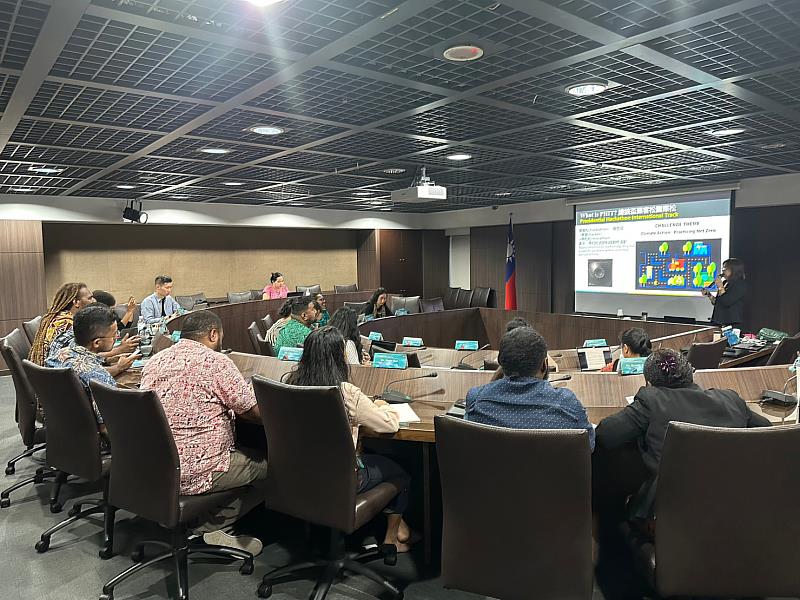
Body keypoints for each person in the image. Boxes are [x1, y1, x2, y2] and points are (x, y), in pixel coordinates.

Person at [595, 348, 770, 526]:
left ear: (648, 382)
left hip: (669, 519)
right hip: (734, 513)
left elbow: (604, 435)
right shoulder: (731, 400)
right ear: (691, 374)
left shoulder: (650, 400)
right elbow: (768, 432)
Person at [140, 310, 267, 554]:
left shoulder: (155, 361)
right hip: (199, 469)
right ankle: (211, 527)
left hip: (156, 466)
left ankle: (204, 518)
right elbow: (251, 411)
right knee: (274, 469)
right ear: (213, 334)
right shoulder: (216, 362)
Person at [286, 327, 416, 552]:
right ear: (339, 358)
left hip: (298, 476)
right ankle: (393, 538)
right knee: (401, 470)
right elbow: (389, 425)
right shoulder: (345, 393)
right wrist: (382, 406)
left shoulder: (290, 384)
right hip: (342, 481)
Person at [466, 326, 595, 450]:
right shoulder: (568, 404)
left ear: (500, 361)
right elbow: (589, 446)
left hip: (493, 472)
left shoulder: (476, 400)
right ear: (544, 366)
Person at [46, 305, 138, 430]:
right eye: (114, 334)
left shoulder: (59, 354)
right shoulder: (99, 378)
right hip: (91, 435)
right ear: (96, 343)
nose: (117, 337)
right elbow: (107, 427)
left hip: (62, 427)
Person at [29, 283, 96, 365]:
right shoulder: (66, 324)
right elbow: (79, 359)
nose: (94, 301)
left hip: (49, 370)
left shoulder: (60, 317)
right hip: (55, 373)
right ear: (76, 302)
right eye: (90, 298)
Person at [702, 258, 747, 328]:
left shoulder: (740, 284)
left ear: (733, 270)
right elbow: (718, 302)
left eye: (725, 268)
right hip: (718, 322)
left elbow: (727, 301)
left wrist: (720, 287)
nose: (723, 270)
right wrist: (709, 295)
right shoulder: (725, 283)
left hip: (731, 323)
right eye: (723, 268)